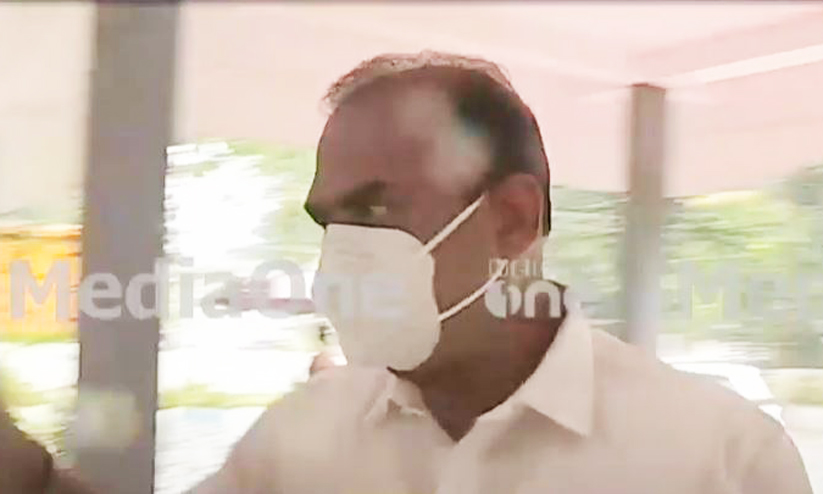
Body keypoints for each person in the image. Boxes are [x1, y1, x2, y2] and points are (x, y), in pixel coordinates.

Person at [191, 52, 812, 493]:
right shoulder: (293, 445)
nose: (339, 261)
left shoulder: (720, 462)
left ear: (513, 219)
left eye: (375, 211)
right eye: (330, 224)